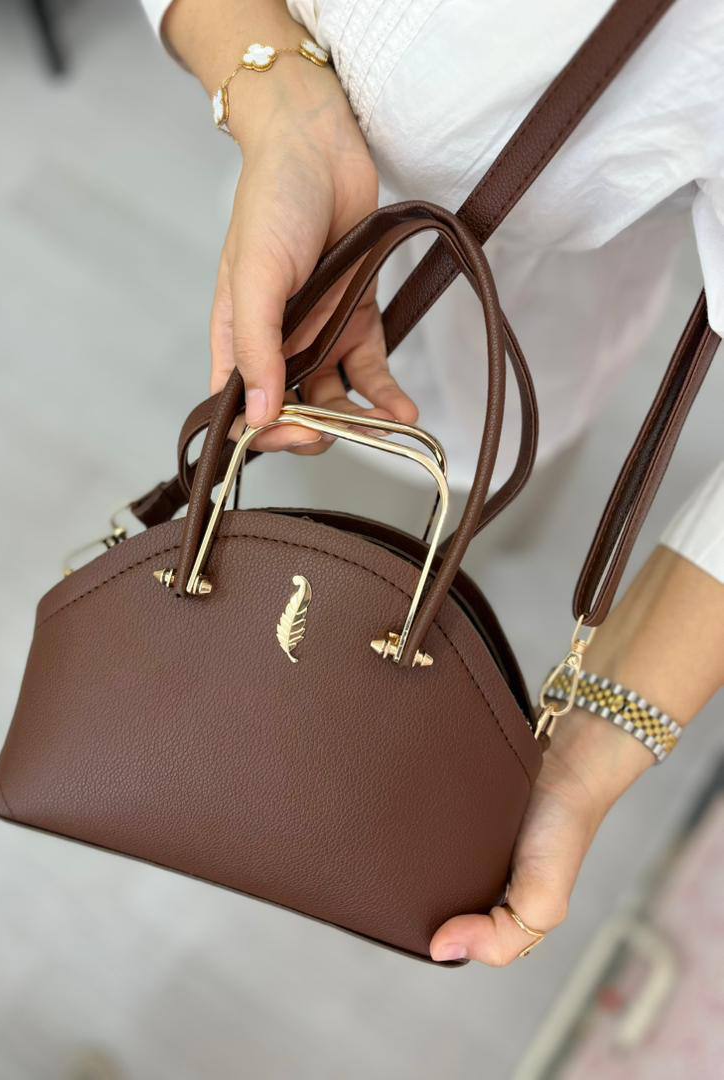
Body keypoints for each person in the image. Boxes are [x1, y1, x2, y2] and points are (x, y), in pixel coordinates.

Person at [138, 0, 724, 965]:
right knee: (328, 519)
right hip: (294, 250)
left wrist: (587, 754)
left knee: (464, 522)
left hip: (521, 340)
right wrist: (274, 93)